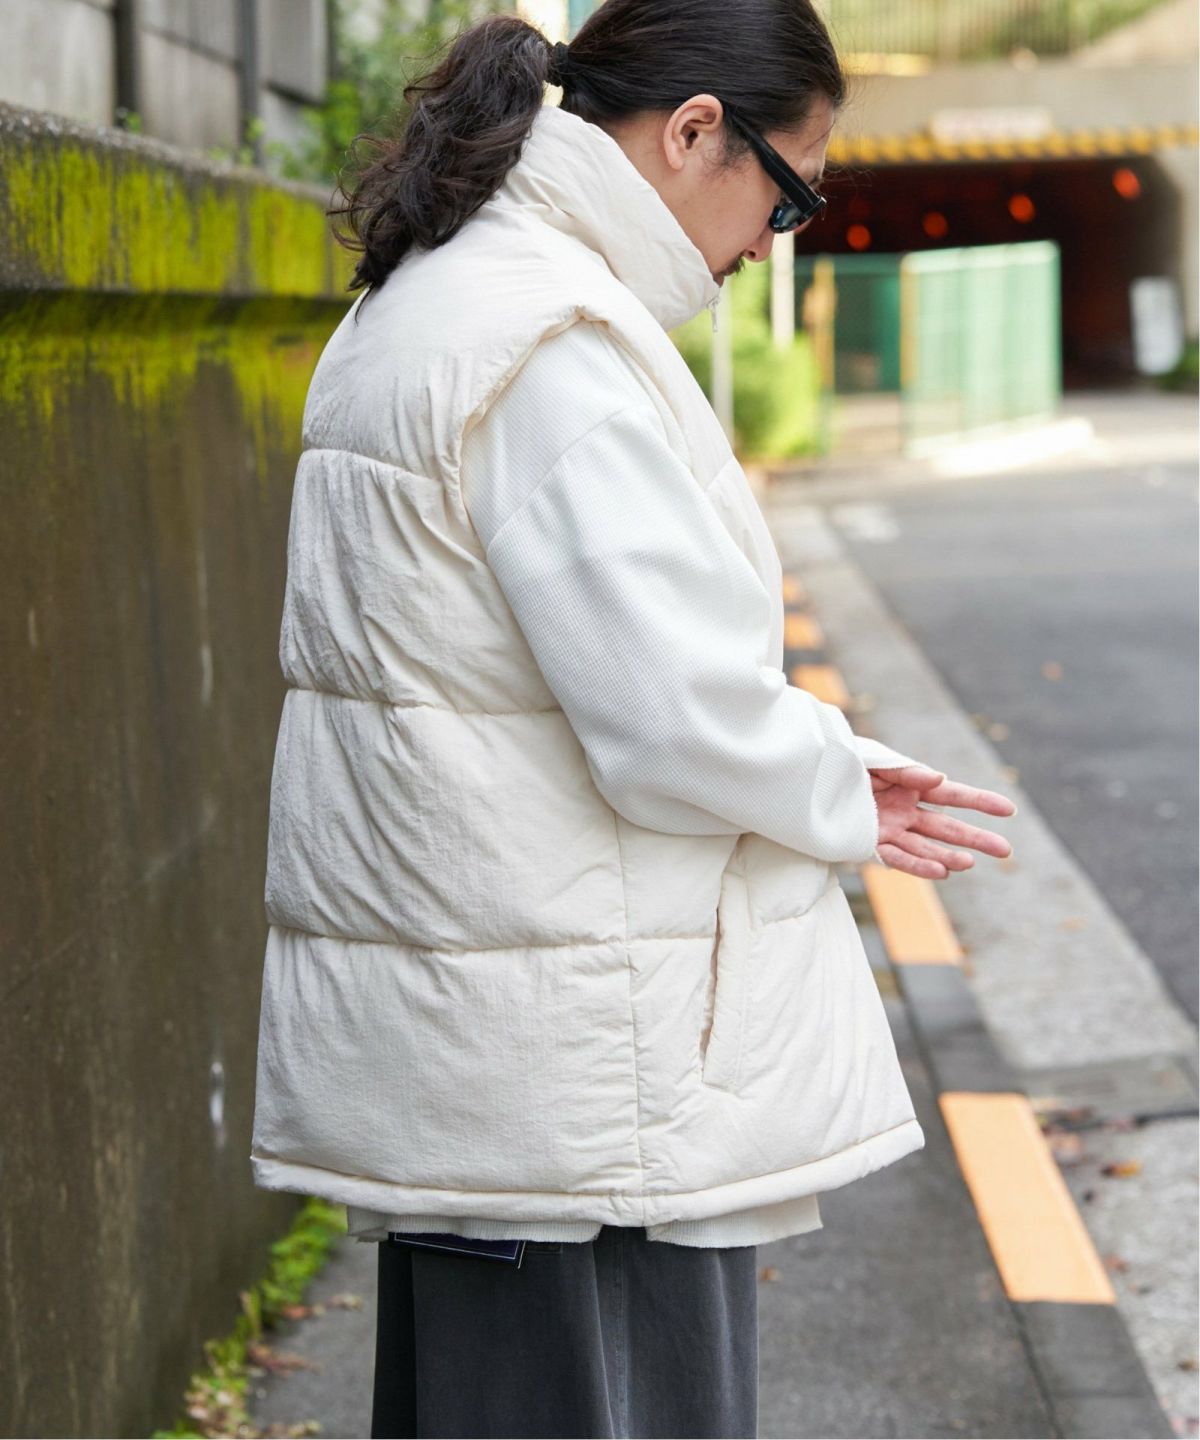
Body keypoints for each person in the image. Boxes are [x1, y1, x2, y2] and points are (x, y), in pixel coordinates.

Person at [249, 2, 1017, 1435]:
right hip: (583, 1080)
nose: (770, 245)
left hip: (493, 1048)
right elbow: (671, 717)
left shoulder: (441, 294)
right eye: (787, 197)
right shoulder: (552, 344)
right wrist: (837, 780)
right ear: (693, 133)